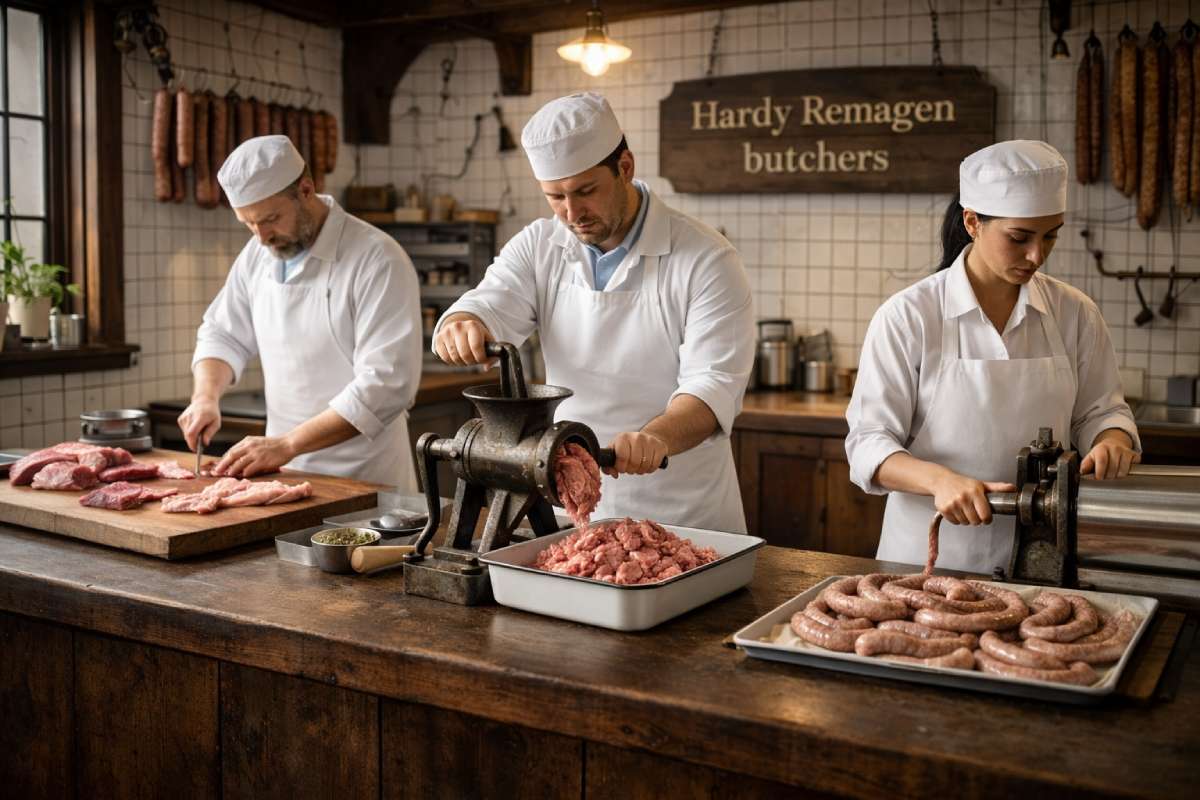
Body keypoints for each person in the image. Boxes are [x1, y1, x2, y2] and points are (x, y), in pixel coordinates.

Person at [434, 93, 754, 532]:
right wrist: (462, 323)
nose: (572, 213)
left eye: (585, 191)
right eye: (555, 197)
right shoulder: (539, 245)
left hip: (680, 509)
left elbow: (712, 385)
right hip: (571, 506)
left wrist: (655, 438)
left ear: (625, 167)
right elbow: (488, 302)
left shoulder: (706, 257)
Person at [846, 140, 1140, 573]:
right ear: (972, 222)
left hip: (1044, 558)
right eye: (1019, 237)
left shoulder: (1075, 313)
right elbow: (868, 443)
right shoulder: (909, 316)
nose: (1036, 255)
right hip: (931, 558)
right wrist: (939, 480)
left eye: (1050, 235)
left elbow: (1102, 411)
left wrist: (1111, 439)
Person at [178, 135, 422, 488]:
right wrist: (205, 397)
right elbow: (222, 332)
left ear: (306, 190)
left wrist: (288, 444)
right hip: (283, 475)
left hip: (365, 479)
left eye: (271, 218)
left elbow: (387, 385)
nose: (261, 236)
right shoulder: (257, 254)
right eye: (248, 223)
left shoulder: (377, 258)